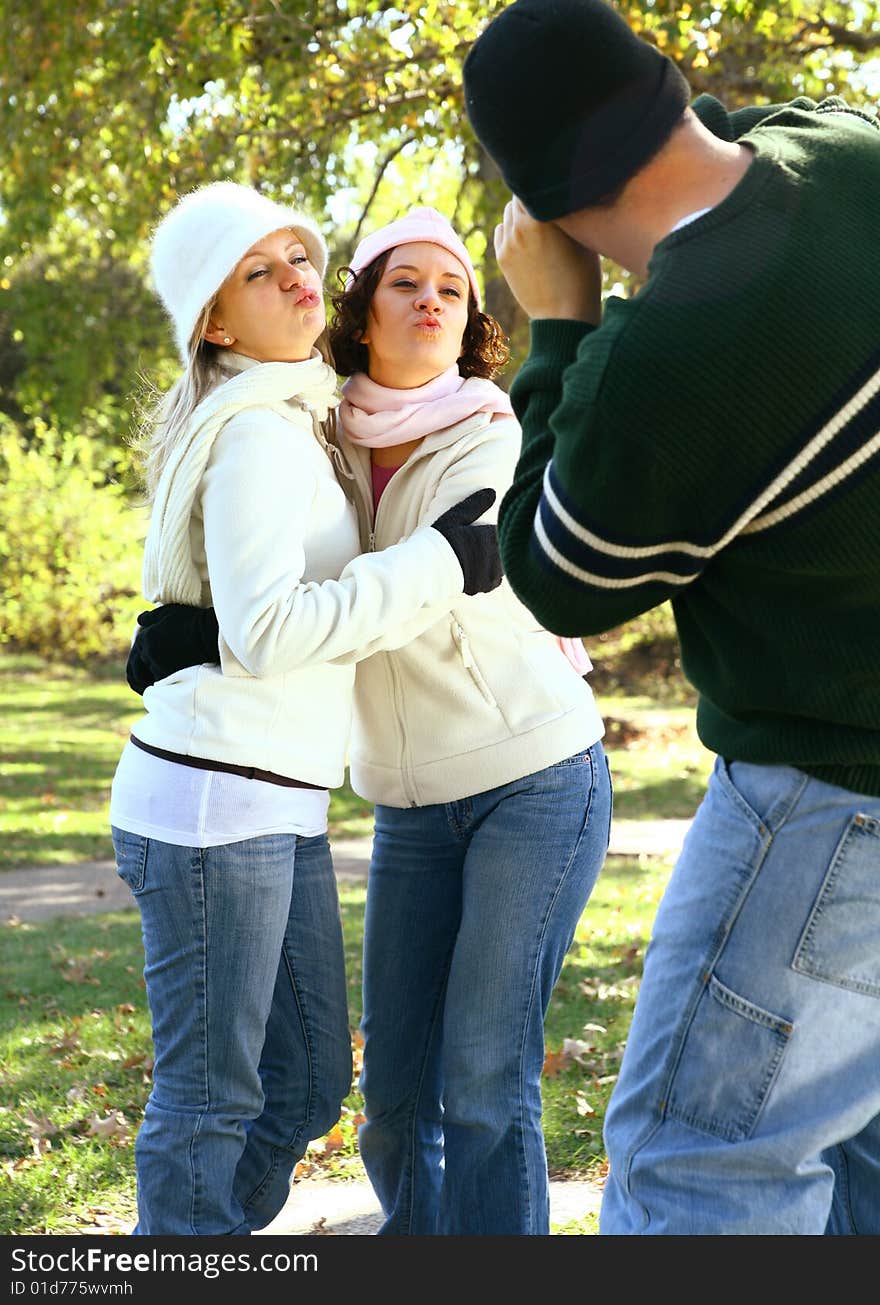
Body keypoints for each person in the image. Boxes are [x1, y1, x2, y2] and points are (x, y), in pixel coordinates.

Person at [463, 0, 880, 1236]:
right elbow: (745, 149)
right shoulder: (847, 147)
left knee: (701, 1172)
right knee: (849, 1161)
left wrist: (562, 323)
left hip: (827, 802)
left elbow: (560, 576)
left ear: (538, 202)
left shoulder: (671, 360)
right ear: (670, 83)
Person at [127, 204, 612, 1236]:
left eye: (452, 289)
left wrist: (235, 631)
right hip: (402, 796)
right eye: (405, 282)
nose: (430, 300)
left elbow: (419, 582)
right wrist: (205, 633)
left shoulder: (492, 435)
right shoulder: (316, 425)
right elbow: (287, 592)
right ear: (364, 308)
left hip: (529, 773)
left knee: (481, 1081)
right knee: (389, 1097)